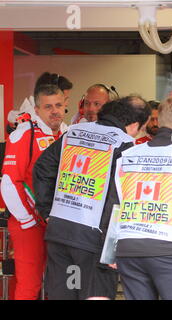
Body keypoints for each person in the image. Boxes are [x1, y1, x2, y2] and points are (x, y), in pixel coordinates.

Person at [33, 96, 150, 300]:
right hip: (94, 240)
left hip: (60, 231)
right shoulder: (124, 145)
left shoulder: (73, 132)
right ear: (133, 125)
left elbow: (42, 167)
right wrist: (112, 245)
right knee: (95, 296)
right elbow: (120, 198)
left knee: (64, 294)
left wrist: (47, 211)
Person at [113, 96, 172, 300]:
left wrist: (113, 247)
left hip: (128, 249)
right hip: (170, 250)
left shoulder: (127, 155)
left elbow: (115, 204)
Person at [0, 84, 67, 300]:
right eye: (48, 107)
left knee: (60, 283)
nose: (54, 111)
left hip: (59, 222)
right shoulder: (24, 134)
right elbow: (9, 182)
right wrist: (27, 219)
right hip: (29, 223)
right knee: (29, 285)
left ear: (66, 105)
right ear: (37, 110)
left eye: (58, 105)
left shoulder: (69, 134)